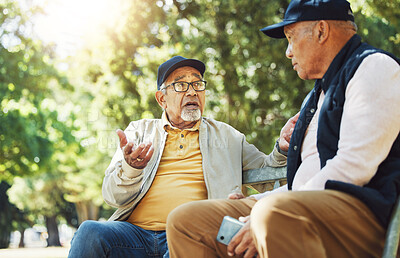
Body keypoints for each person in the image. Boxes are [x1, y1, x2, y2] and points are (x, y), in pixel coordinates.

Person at [166, 0, 400, 257]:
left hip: (365, 217)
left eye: (291, 38)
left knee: (272, 214)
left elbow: (353, 167)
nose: (288, 52)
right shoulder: (317, 96)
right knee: (186, 221)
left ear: (321, 31)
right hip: (299, 209)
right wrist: (255, 202)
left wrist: (271, 207)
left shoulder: (374, 68)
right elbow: (303, 180)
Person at [68, 56, 293, 257]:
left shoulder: (228, 136)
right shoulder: (139, 131)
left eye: (197, 84)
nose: (193, 91)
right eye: (181, 85)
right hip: (134, 235)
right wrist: (131, 168)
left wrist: (283, 148)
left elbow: (268, 174)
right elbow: (111, 197)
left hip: (190, 233)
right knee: (90, 232)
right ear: (161, 99)